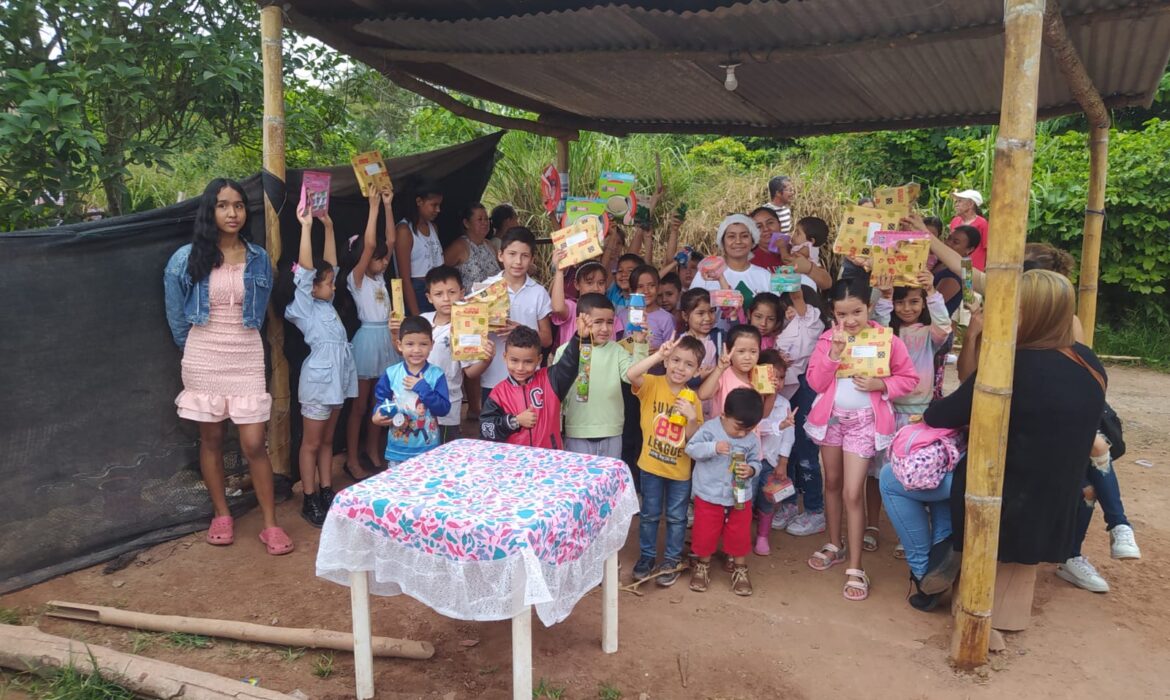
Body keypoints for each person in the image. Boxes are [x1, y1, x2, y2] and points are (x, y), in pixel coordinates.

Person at [922, 270, 1107, 642]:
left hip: (999, 502)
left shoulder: (1010, 365)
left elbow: (941, 416)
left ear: (1026, 312)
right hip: (1057, 500)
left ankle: (942, 557)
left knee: (897, 480)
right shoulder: (1088, 362)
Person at [163, 178, 292, 555]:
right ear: (210, 211)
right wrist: (193, 349)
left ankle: (270, 523)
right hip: (204, 353)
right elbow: (176, 315)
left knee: (254, 442)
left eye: (237, 205)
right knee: (212, 439)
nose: (232, 213)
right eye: (222, 205)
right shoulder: (186, 258)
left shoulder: (258, 258)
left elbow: (263, 307)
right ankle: (221, 514)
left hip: (246, 353)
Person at [804, 276, 918, 601]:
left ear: (869, 306)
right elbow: (815, 381)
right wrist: (834, 354)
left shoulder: (886, 339)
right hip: (831, 420)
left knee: (853, 493)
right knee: (832, 484)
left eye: (857, 311)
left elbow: (908, 378)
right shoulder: (828, 339)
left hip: (865, 423)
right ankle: (833, 544)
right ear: (833, 313)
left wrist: (881, 386)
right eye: (842, 314)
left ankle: (856, 566)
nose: (850, 320)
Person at [867, 272, 953, 551]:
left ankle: (911, 532)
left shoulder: (930, 335)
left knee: (916, 473)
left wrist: (933, 291)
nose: (907, 308)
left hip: (919, 416)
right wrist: (885, 297)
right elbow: (878, 325)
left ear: (923, 303)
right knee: (877, 470)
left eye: (914, 302)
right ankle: (872, 524)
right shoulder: (888, 334)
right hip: (887, 412)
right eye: (901, 302)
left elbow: (944, 325)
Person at [286, 203, 359, 526]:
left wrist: (327, 226)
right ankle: (310, 496)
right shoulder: (304, 307)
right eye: (326, 283)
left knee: (328, 440)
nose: (333, 286)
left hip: (337, 378)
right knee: (312, 443)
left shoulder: (326, 305)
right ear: (312, 286)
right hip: (318, 382)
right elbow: (305, 272)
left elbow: (330, 267)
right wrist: (305, 227)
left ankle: (327, 489)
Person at [626, 335, 706, 586]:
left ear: (697, 370)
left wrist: (691, 418)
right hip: (649, 465)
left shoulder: (692, 398)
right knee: (649, 514)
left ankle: (671, 560)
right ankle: (647, 557)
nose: (680, 368)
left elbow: (692, 438)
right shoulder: (652, 383)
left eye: (688, 364)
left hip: (679, 472)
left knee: (676, 517)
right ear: (667, 360)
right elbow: (631, 374)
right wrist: (658, 356)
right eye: (675, 360)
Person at [685, 388, 765, 596]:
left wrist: (751, 470)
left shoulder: (751, 439)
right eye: (738, 427)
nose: (742, 434)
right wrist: (713, 447)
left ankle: (739, 567)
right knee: (705, 531)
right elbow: (691, 449)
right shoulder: (710, 430)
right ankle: (703, 564)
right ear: (723, 415)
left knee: (739, 532)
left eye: (748, 429)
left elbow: (757, 461)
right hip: (709, 493)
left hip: (740, 495)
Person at [343, 188, 397, 481]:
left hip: (385, 341)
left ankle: (373, 451)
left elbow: (388, 242)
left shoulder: (379, 278)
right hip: (367, 342)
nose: (384, 261)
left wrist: (388, 206)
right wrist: (373, 206)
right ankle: (352, 458)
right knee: (360, 405)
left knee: (380, 402)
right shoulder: (357, 279)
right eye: (378, 259)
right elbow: (373, 245)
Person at [555, 293, 647, 460]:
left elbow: (634, 377)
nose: (605, 328)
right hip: (576, 431)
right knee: (579, 482)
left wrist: (640, 343)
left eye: (610, 322)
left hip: (612, 432)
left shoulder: (617, 350)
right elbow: (557, 393)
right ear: (580, 322)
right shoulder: (565, 351)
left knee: (607, 483)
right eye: (598, 322)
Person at [773, 285, 829, 538]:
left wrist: (793, 285)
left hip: (806, 391)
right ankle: (788, 504)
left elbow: (804, 310)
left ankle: (815, 510)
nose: (791, 312)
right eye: (786, 308)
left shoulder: (811, 324)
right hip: (785, 394)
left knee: (806, 453)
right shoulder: (782, 331)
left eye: (795, 306)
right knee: (787, 453)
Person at [478, 227, 554, 403]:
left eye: (524, 256)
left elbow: (547, 339)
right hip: (493, 376)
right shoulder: (485, 289)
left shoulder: (538, 292)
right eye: (512, 254)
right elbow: (471, 331)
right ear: (500, 255)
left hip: (528, 376)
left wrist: (521, 330)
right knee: (494, 427)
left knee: (528, 427)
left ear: (532, 259)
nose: (518, 261)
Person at [418, 266, 493, 443]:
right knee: (419, 445)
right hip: (417, 400)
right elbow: (405, 353)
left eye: (451, 292)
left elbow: (470, 373)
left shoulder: (466, 326)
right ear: (429, 297)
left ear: (462, 293)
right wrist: (393, 334)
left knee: (444, 447)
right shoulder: (423, 320)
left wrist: (487, 359)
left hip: (448, 402)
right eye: (438, 294)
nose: (446, 299)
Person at [480, 325, 580, 449]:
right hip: (514, 462)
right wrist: (515, 421)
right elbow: (486, 429)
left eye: (528, 362)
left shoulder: (551, 379)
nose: (520, 368)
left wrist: (580, 337)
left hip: (549, 460)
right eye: (514, 360)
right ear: (505, 357)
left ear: (539, 360)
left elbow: (570, 363)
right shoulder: (498, 393)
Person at [371, 316, 451, 466]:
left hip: (429, 450)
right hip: (397, 450)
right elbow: (382, 400)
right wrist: (377, 415)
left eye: (423, 344)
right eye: (410, 344)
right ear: (399, 345)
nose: (416, 350)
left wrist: (422, 387)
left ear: (432, 345)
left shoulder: (436, 375)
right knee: (398, 487)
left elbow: (443, 409)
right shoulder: (391, 373)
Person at [690, 215, 772, 331]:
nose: (738, 241)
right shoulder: (707, 272)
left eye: (744, 236)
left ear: (753, 240)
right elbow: (692, 309)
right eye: (731, 236)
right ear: (722, 242)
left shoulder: (764, 276)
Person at [753, 349, 796, 556]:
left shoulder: (784, 404)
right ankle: (740, 534)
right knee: (744, 500)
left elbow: (789, 436)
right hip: (749, 461)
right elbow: (756, 427)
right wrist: (779, 424)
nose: (777, 383)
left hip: (770, 462)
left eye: (780, 378)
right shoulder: (750, 400)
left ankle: (762, 536)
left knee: (767, 500)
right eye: (771, 377)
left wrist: (783, 462)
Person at [699, 325, 775, 420]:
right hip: (723, 433)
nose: (747, 357)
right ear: (728, 351)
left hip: (750, 432)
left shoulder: (761, 376)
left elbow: (763, 415)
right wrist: (719, 369)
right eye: (741, 351)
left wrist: (771, 393)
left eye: (753, 351)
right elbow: (703, 395)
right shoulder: (724, 374)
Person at [394, 182, 444, 315]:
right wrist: (416, 315)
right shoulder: (404, 231)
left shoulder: (433, 228)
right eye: (434, 205)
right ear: (419, 201)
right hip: (418, 291)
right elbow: (404, 278)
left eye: (439, 205)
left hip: (439, 289)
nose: (438, 210)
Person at [552, 257, 607, 348]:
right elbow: (558, 308)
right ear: (577, 284)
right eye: (589, 283)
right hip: (570, 361)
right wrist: (559, 271)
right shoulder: (572, 307)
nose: (596, 288)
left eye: (601, 283)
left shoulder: (609, 313)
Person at [444, 202, 500, 289]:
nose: (485, 223)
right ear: (466, 223)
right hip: (471, 300)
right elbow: (440, 273)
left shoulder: (489, 245)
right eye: (480, 219)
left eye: (486, 219)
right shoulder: (459, 247)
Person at [618, 265, 676, 349]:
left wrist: (657, 353)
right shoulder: (622, 315)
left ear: (659, 288)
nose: (646, 291)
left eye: (651, 285)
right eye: (640, 286)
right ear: (632, 290)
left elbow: (671, 351)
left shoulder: (667, 319)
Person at [950, 190, 989, 271]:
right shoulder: (955, 221)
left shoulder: (982, 223)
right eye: (956, 201)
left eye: (960, 201)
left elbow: (987, 247)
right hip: (954, 265)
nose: (956, 204)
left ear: (971, 204)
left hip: (972, 267)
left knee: (967, 283)